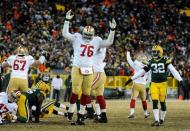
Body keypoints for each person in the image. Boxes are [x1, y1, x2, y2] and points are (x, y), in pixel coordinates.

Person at [62, 10, 116, 125]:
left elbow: (109, 42)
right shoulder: (77, 37)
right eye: (85, 35)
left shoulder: (96, 41)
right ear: (82, 33)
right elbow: (65, 34)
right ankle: (71, 110)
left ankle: (81, 115)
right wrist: (66, 21)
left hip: (89, 69)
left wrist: (112, 30)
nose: (87, 37)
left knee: (86, 93)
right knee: (76, 91)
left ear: (93, 35)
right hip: (77, 67)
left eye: (89, 35)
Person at [125, 45, 186, 126]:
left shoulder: (165, 60)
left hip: (163, 84)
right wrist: (131, 79)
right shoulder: (151, 61)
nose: (154, 53)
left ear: (160, 52)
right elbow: (142, 71)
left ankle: (161, 119)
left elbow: (173, 71)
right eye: (153, 51)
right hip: (154, 84)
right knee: (154, 101)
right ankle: (156, 120)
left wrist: (180, 80)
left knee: (162, 103)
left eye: (156, 51)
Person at [85, 48, 108, 123]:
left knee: (85, 90)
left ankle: (91, 112)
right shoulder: (98, 51)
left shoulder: (99, 50)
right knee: (99, 96)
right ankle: (103, 116)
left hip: (98, 73)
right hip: (99, 73)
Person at [126, 51, 150, 119]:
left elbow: (129, 60)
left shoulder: (136, 64)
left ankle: (132, 112)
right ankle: (145, 113)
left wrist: (128, 52)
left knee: (133, 99)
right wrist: (146, 84)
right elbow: (149, 78)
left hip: (136, 84)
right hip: (143, 85)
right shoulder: (147, 67)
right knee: (144, 100)